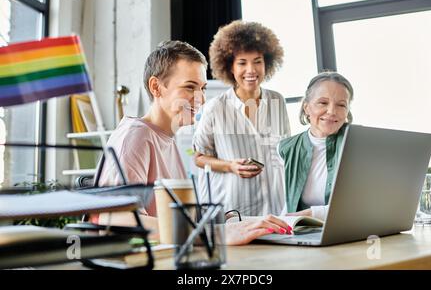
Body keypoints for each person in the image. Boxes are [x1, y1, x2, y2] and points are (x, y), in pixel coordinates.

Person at [97, 40, 290, 244]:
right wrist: (215, 234)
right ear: (156, 87)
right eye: (190, 87)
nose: (201, 99)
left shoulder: (167, 138)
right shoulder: (134, 137)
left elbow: (180, 221)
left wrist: (231, 222)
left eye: (202, 88)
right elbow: (116, 221)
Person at [193, 21, 291, 216]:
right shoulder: (215, 108)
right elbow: (198, 157)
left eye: (257, 61)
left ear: (267, 63)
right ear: (230, 66)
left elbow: (285, 151)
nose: (251, 70)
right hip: (235, 209)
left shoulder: (277, 100)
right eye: (242, 63)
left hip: (277, 207)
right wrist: (230, 166)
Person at [278, 71, 354, 221]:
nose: (332, 111)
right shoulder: (286, 148)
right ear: (306, 107)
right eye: (323, 103)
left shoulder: (358, 142)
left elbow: (361, 206)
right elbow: (287, 204)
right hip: (305, 233)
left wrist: (314, 213)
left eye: (341, 105)